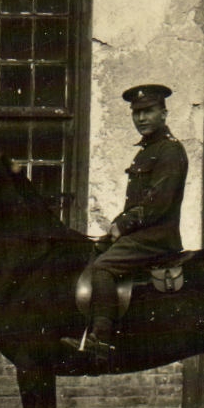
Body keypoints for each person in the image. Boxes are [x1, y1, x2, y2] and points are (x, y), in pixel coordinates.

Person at [64, 83, 189, 368]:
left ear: (164, 113)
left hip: (157, 236)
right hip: (142, 233)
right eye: (136, 113)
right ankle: (86, 330)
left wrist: (123, 224)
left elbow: (158, 202)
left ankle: (102, 341)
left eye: (148, 111)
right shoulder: (147, 151)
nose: (141, 118)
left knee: (103, 268)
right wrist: (116, 228)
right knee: (94, 252)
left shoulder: (170, 151)